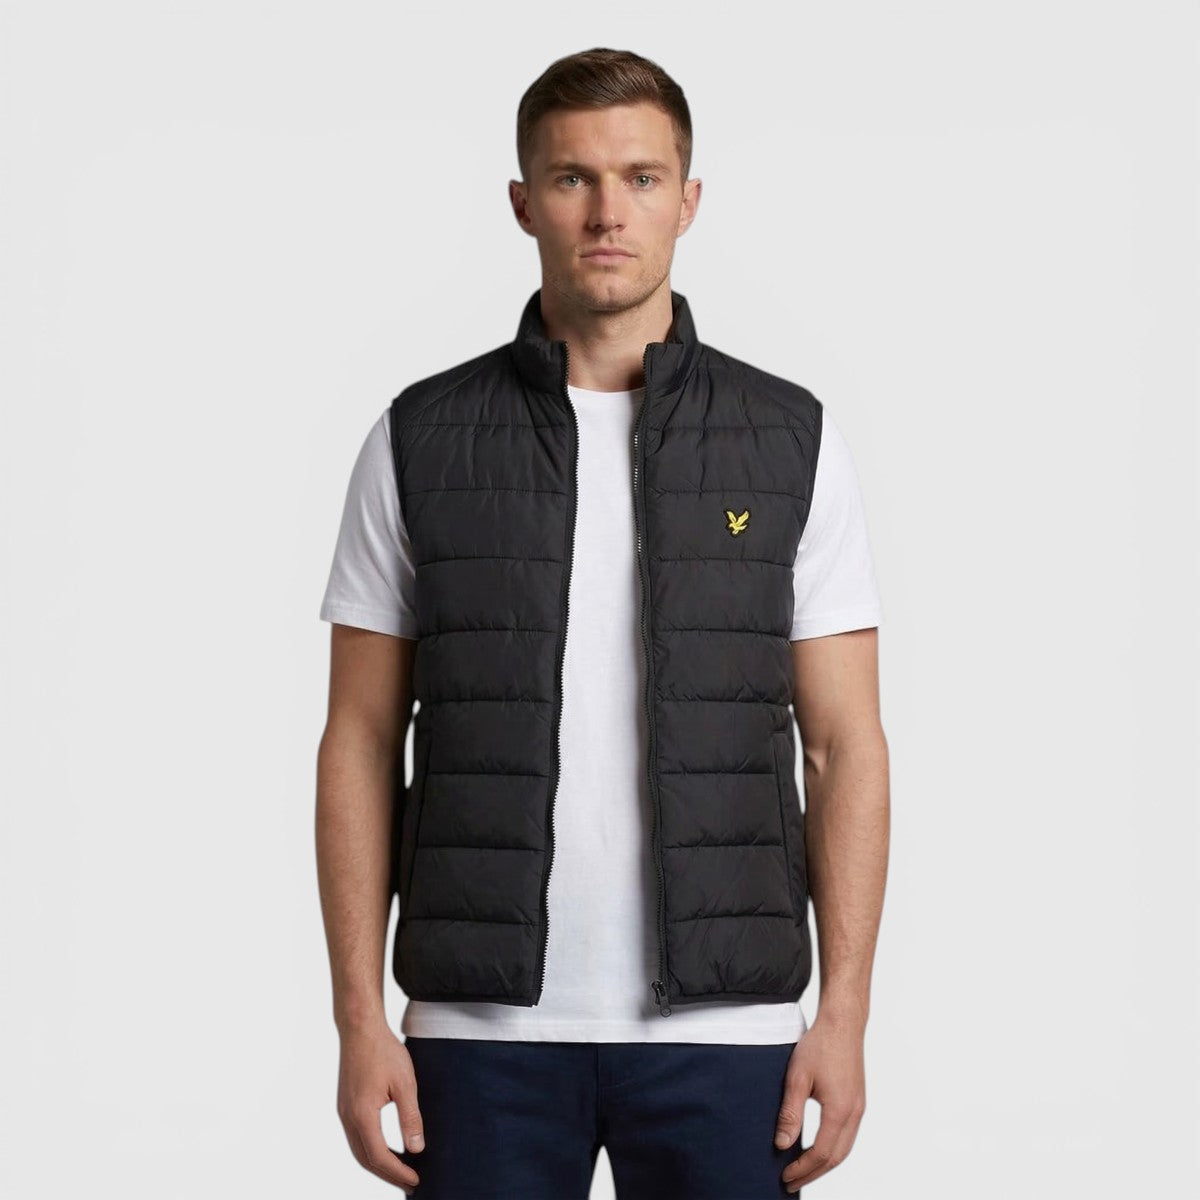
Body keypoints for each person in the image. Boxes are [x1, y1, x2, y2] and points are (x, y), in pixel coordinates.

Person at [315, 46, 889, 1200]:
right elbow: (360, 741)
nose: (607, 212)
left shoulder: (789, 441)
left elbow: (845, 747)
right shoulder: (421, 439)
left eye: (640, 177)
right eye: (572, 177)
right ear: (523, 200)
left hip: (731, 1033)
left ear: (689, 199)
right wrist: (359, 1020)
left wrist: (843, 1016)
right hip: (476, 1036)